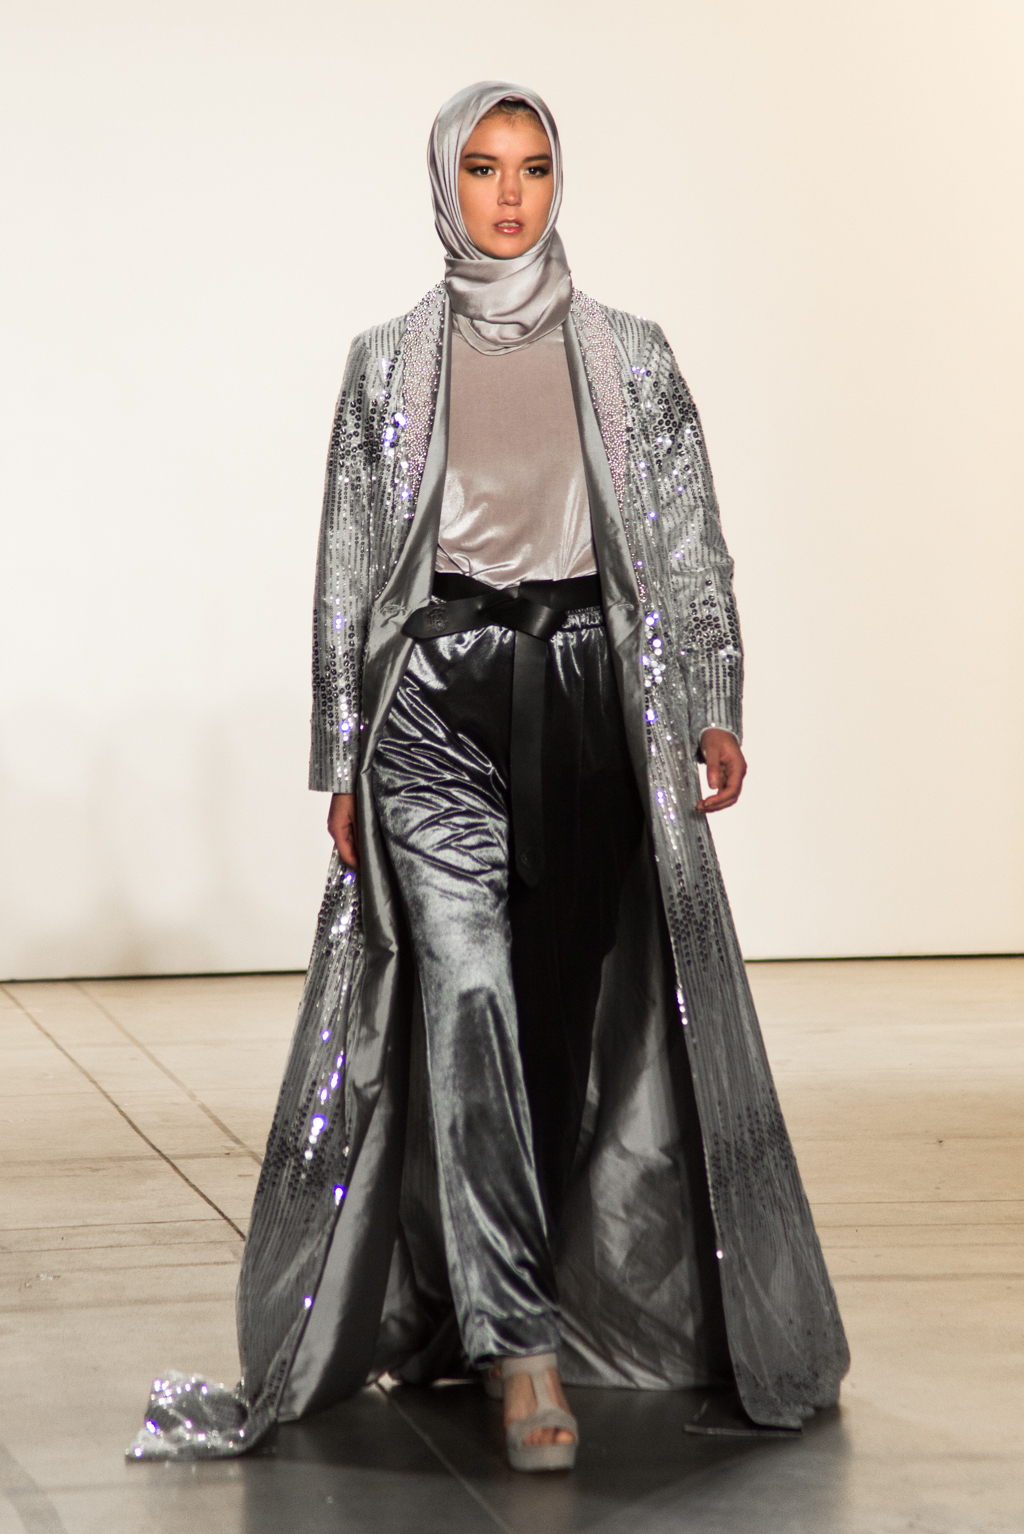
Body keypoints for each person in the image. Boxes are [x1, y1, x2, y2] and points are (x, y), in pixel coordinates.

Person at [132, 80, 848, 1474]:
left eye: (531, 168)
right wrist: (345, 751)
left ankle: (502, 1290)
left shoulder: (630, 353)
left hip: (590, 695)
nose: (509, 195)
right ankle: (521, 1353)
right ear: (443, 183)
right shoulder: (386, 361)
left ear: (557, 182)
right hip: (436, 705)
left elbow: (690, 538)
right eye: (482, 167)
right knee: (464, 996)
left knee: (565, 1020)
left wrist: (712, 697)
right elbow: (351, 563)